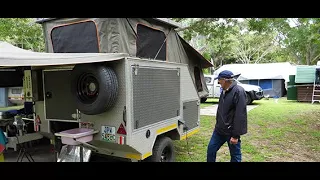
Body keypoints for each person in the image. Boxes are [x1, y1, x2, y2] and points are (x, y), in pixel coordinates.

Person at [207, 70, 247, 162]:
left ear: (224, 80)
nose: (218, 82)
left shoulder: (238, 91)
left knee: (235, 156)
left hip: (231, 132)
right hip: (219, 130)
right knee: (211, 150)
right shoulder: (224, 90)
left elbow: (240, 115)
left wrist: (235, 136)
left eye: (219, 80)